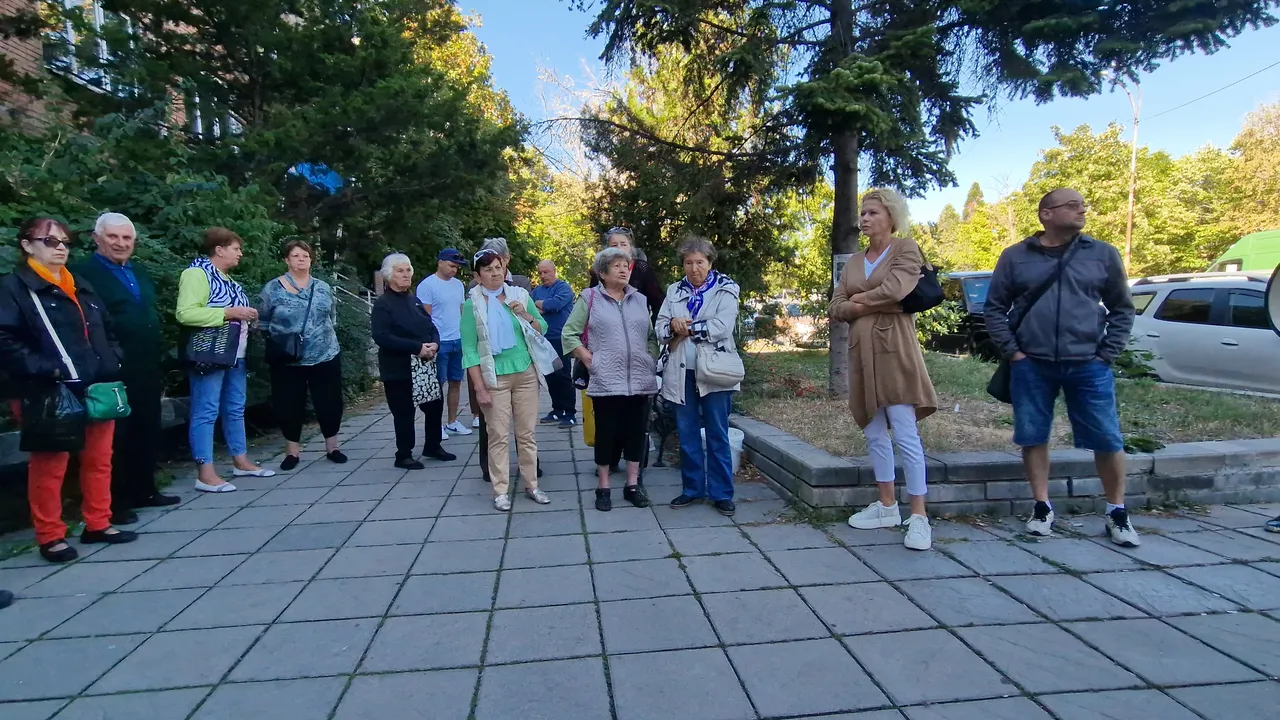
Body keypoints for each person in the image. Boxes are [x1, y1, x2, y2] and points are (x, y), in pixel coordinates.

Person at [984, 188, 1140, 548]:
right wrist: (1013, 352)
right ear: (1046, 214)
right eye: (1072, 205)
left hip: (1089, 364)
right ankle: (1041, 507)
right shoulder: (1015, 257)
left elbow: (1122, 308)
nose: (1082, 209)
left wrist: (1107, 353)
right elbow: (994, 308)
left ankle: (1117, 512)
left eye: (1083, 204)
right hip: (1031, 364)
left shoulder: (1102, 254)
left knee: (1107, 437)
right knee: (1033, 435)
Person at [0, 217, 138, 562]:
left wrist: (112, 360)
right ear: (27, 245)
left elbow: (107, 329)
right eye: (49, 241)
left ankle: (98, 522)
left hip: (95, 383)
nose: (60, 247)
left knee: (98, 459)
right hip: (48, 388)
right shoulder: (15, 288)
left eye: (64, 241)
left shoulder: (81, 285)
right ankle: (50, 535)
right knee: (50, 466)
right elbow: (5, 339)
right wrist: (49, 368)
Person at [830, 188, 939, 551]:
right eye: (863, 212)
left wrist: (858, 301)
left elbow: (898, 289)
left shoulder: (906, 249)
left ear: (890, 216)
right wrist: (867, 303)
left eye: (873, 212)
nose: (865, 218)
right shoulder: (854, 262)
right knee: (874, 431)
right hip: (862, 353)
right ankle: (887, 505)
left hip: (895, 350)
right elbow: (836, 306)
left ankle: (919, 516)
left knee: (905, 432)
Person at [72, 212, 180, 524]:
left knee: (146, 425)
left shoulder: (138, 271)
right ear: (97, 238)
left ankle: (144, 489)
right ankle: (114, 502)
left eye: (126, 238)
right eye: (113, 237)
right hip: (110, 365)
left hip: (145, 362)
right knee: (114, 434)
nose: (120, 243)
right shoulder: (84, 272)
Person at [177, 227, 275, 493]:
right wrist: (230, 312)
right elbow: (185, 314)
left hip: (234, 355)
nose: (240, 253)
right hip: (210, 355)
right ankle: (205, 473)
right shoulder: (196, 274)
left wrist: (247, 316)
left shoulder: (228, 279)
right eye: (235, 248)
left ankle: (240, 461)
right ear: (219, 249)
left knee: (234, 408)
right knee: (206, 411)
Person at [563, 248, 659, 511]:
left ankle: (631, 485)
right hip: (605, 379)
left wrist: (649, 358)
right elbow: (569, 334)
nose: (622, 270)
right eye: (616, 266)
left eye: (625, 265)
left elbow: (651, 337)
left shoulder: (640, 300)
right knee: (606, 435)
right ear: (602, 273)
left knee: (635, 434)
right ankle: (603, 487)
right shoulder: (590, 298)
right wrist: (589, 359)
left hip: (639, 379)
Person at [657, 237, 743, 517]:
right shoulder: (674, 290)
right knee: (688, 433)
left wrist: (684, 327)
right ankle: (692, 489)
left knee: (718, 433)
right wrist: (671, 323)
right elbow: (659, 328)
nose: (694, 268)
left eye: (700, 262)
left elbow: (721, 327)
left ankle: (721, 494)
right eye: (689, 263)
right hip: (681, 372)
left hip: (715, 372)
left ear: (710, 262)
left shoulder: (726, 288)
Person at [461, 248, 550, 511]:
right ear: (478, 276)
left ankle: (531, 485)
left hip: (525, 373)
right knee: (497, 435)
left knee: (527, 433)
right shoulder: (471, 305)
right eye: (488, 269)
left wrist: (526, 314)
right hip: (494, 377)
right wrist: (479, 389)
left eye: (498, 267)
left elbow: (541, 328)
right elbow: (469, 351)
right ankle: (500, 490)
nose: (495, 273)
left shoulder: (519, 295)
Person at [260, 240, 346, 471]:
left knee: (330, 402)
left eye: (306, 256)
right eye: (296, 255)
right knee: (288, 405)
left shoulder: (322, 288)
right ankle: (292, 452)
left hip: (325, 354)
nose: (301, 259)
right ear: (286, 260)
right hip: (288, 359)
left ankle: (333, 447)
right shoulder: (272, 289)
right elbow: (263, 322)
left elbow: (332, 317)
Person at [372, 253, 455, 469]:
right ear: (389, 275)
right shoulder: (383, 304)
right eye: (400, 270)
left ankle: (433, 446)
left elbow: (431, 326)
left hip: (425, 367)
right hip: (399, 369)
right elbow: (382, 336)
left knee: (435, 406)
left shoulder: (414, 299)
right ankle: (404, 454)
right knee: (404, 412)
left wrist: (435, 343)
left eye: (408, 270)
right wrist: (416, 348)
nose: (406, 274)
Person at [416, 248, 472, 440]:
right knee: (438, 384)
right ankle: (436, 424)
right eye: (451, 265)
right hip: (440, 342)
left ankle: (452, 422)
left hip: (457, 339)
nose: (454, 270)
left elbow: (462, 311)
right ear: (440, 262)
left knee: (456, 382)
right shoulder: (427, 285)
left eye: (457, 267)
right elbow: (425, 317)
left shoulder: (458, 285)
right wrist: (431, 342)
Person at [531, 259, 576, 427]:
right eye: (540, 273)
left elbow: (555, 304)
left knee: (564, 376)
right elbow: (531, 310)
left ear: (554, 271)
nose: (543, 276)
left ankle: (570, 413)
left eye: (546, 272)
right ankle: (557, 410)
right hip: (543, 339)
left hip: (560, 338)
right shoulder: (537, 291)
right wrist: (542, 307)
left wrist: (544, 306)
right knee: (550, 375)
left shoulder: (564, 288)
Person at [589, 227, 665, 322]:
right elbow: (592, 302)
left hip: (637, 328)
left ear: (630, 247)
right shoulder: (600, 271)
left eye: (623, 244)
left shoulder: (642, 268)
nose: (619, 249)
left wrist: (653, 330)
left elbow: (659, 303)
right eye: (614, 245)